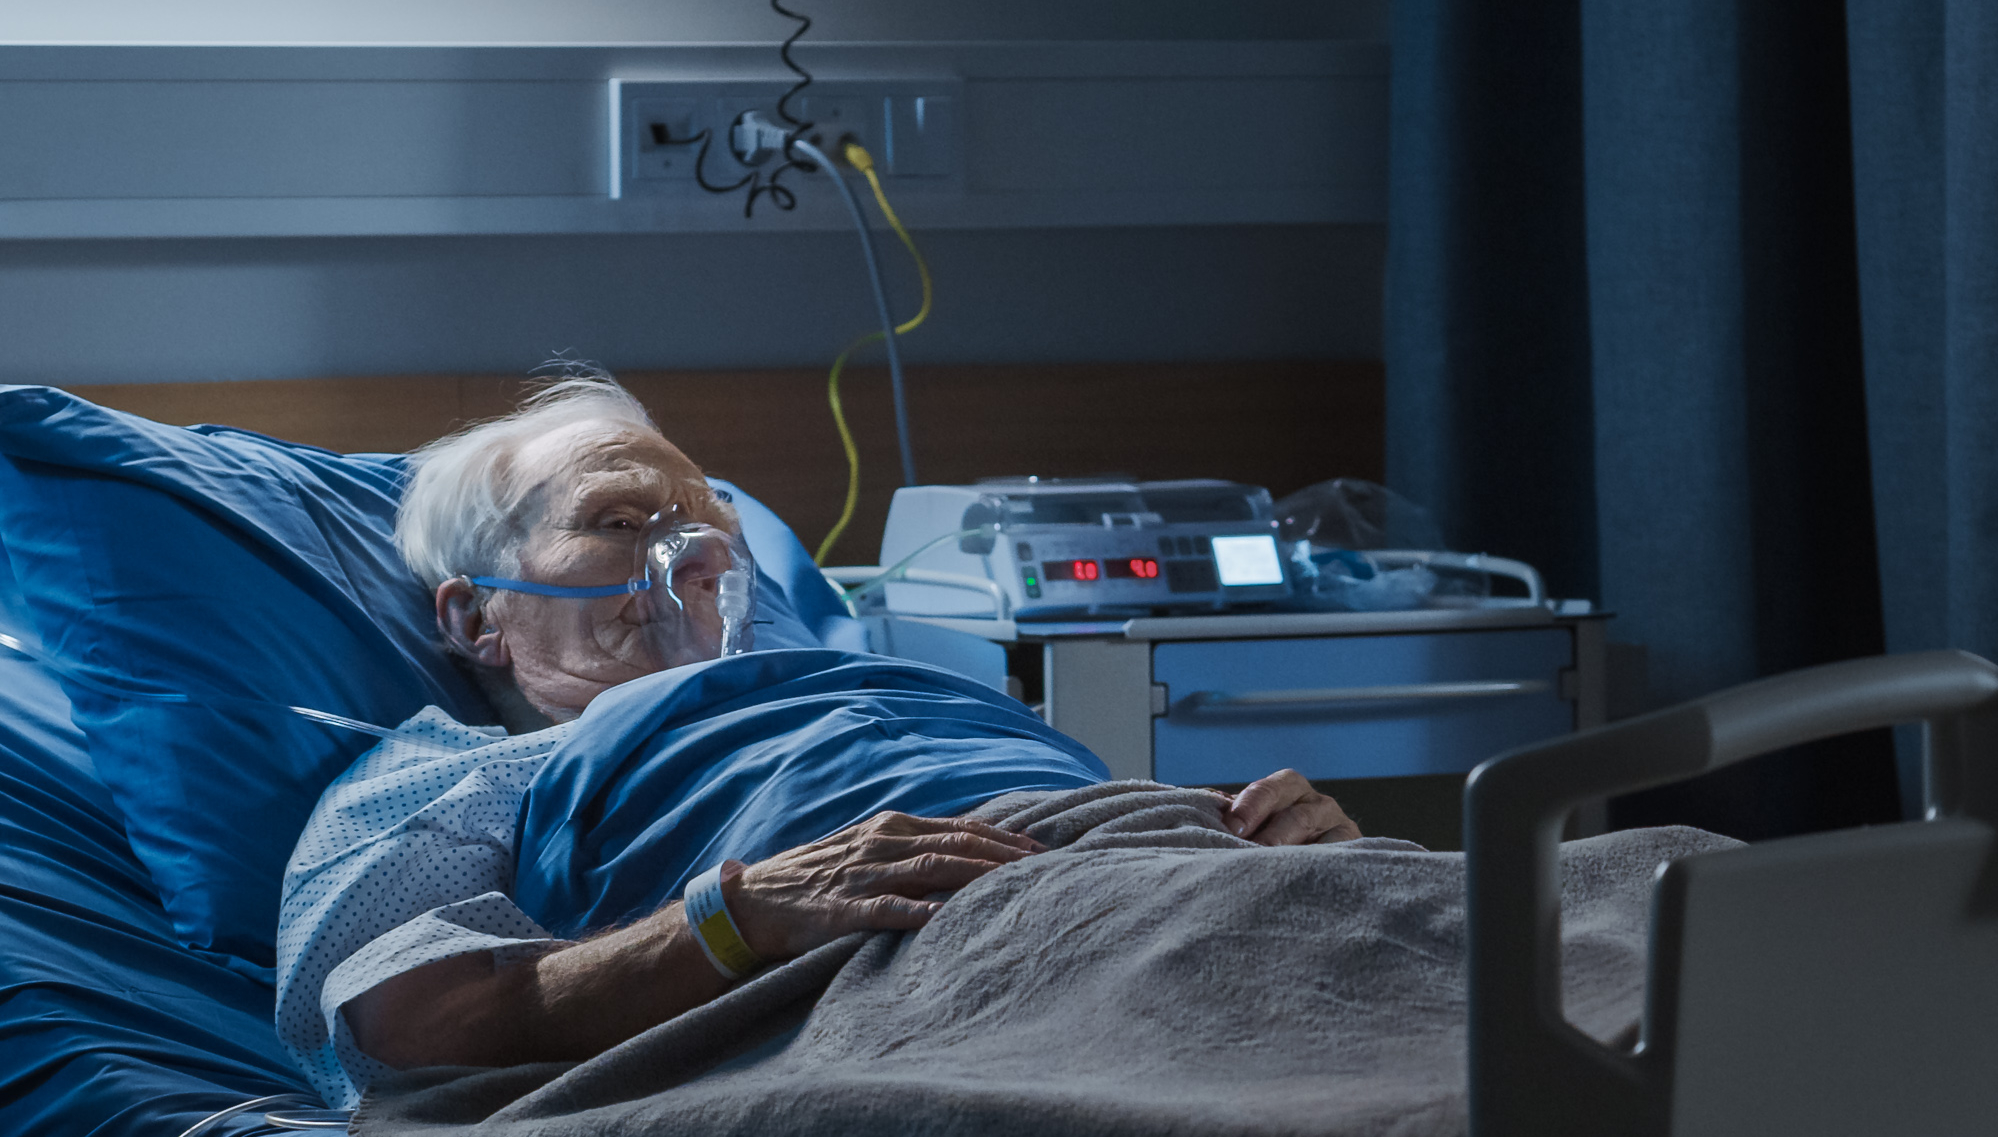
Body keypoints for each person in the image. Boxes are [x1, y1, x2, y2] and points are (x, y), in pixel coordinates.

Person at [268, 372, 1356, 1096]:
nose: (692, 554)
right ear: (475, 616)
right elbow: (392, 1036)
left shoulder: (893, 688)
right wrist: (733, 920)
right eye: (618, 520)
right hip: (980, 968)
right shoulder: (449, 777)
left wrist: (1279, 845)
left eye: (710, 528)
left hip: (1200, 893)